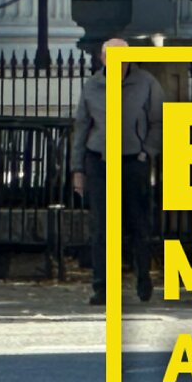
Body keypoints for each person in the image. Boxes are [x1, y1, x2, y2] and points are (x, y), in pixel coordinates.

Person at [72, 38, 164, 306]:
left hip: (133, 161)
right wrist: (77, 169)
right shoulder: (92, 86)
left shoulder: (146, 83)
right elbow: (82, 127)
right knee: (101, 226)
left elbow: (158, 121)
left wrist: (147, 151)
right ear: (102, 59)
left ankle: (143, 277)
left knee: (138, 224)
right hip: (99, 161)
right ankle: (102, 287)